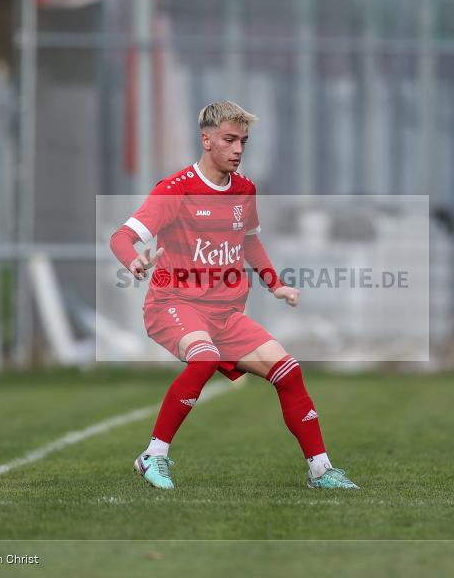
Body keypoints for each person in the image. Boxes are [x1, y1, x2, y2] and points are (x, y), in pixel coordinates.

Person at [110, 101, 358, 490]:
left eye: (243, 141)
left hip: (224, 316)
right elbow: (121, 237)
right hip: (173, 303)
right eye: (229, 140)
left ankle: (321, 471)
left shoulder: (245, 189)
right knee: (204, 358)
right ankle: (153, 456)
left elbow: (250, 242)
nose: (238, 149)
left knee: (289, 371)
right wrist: (133, 262)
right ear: (206, 140)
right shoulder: (175, 189)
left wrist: (274, 283)